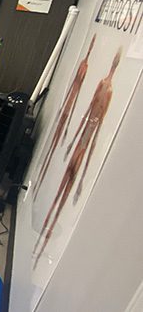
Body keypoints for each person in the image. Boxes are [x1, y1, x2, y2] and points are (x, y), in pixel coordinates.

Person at [33, 49, 121, 268]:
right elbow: (83, 116)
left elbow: (96, 126)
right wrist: (70, 139)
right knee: (65, 179)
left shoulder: (106, 88)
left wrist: (82, 176)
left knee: (69, 183)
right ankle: (43, 230)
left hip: (85, 139)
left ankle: (43, 242)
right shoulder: (98, 80)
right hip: (80, 135)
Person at [32, 35, 96, 200]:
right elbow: (72, 97)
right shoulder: (84, 68)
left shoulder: (88, 71)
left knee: (70, 164)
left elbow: (79, 103)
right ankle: (40, 185)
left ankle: (45, 190)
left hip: (78, 122)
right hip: (67, 114)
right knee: (53, 150)